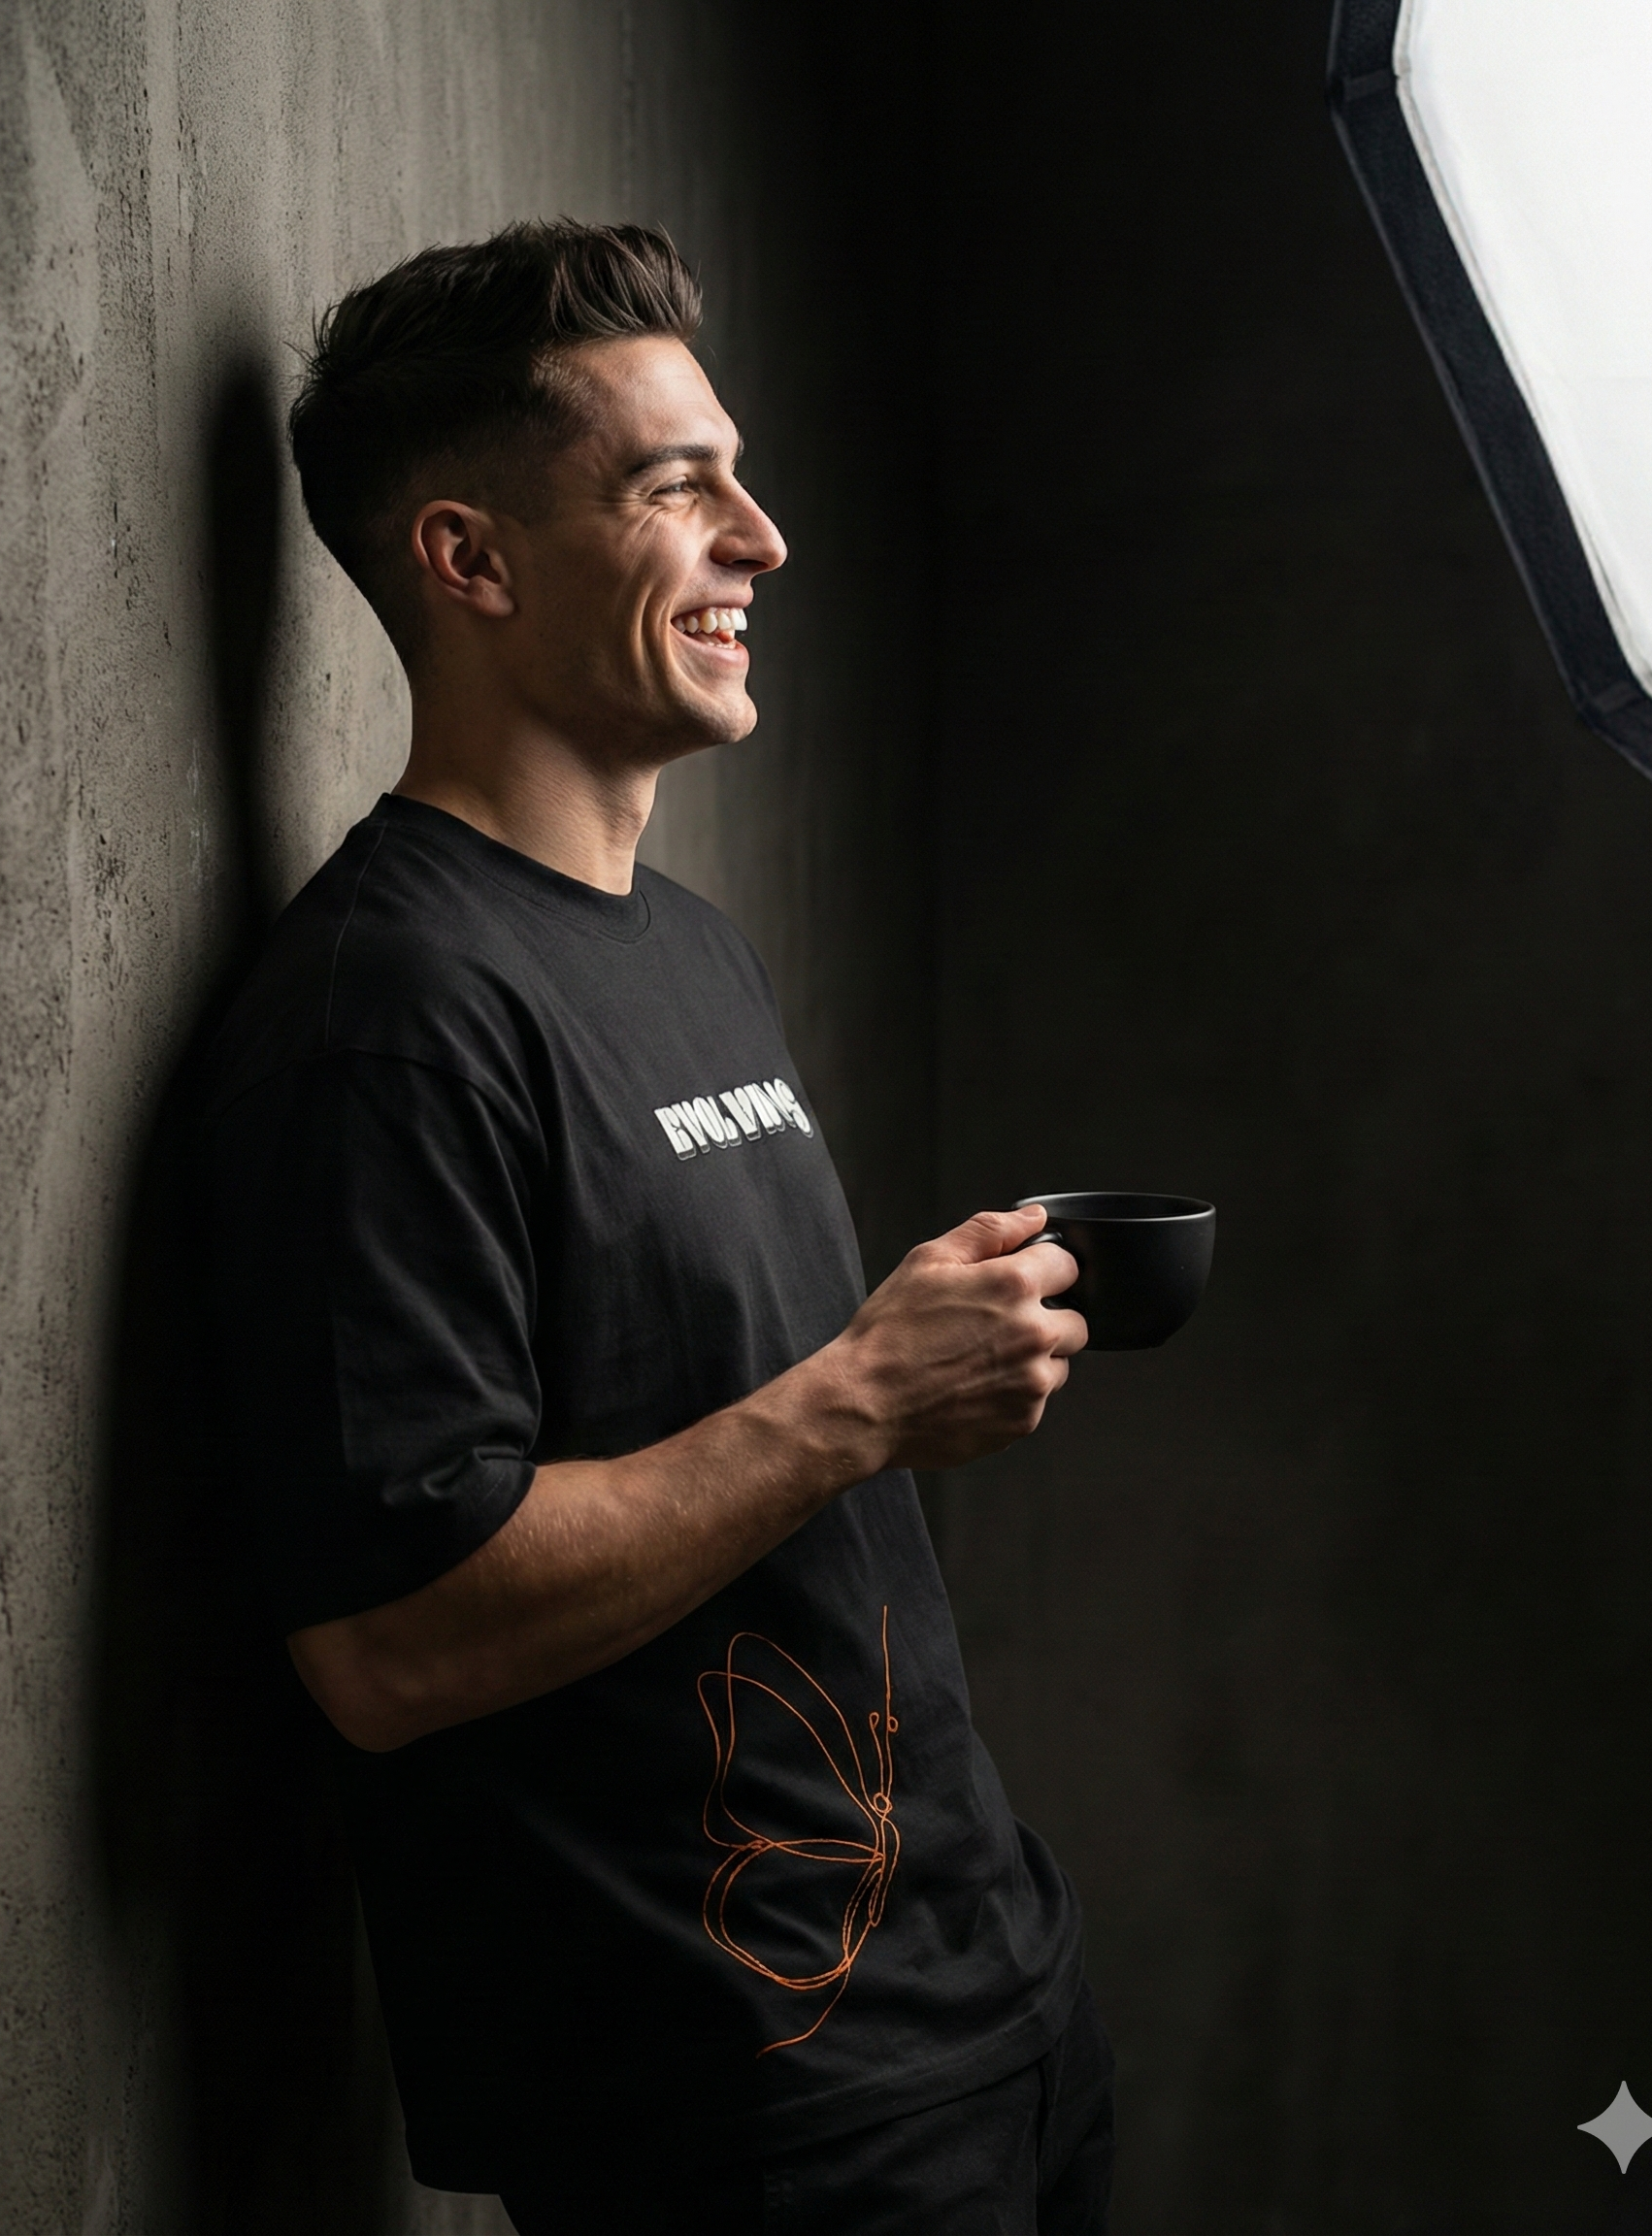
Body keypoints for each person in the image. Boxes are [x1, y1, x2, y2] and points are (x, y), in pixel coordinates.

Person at [203, 219, 1110, 2234]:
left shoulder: (688, 950)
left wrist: (913, 1358)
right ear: (470, 561)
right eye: (675, 488)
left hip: (990, 1998)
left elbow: (729, 1417)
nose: (760, 541)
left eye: (739, 477)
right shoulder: (388, 1016)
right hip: (743, 2109)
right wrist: (861, 1399)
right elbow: (390, 1641)